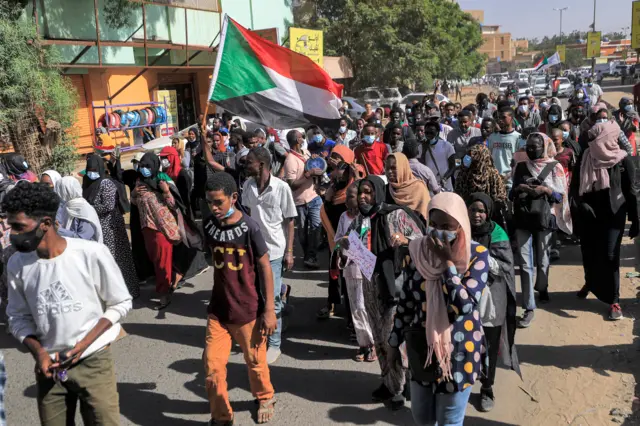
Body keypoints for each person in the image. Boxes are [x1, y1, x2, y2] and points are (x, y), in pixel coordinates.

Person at [5, 181, 131, 426]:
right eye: (11, 227)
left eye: (20, 227)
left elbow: (120, 303)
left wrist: (83, 345)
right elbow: (17, 318)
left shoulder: (91, 254)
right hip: (49, 368)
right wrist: (40, 352)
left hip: (93, 362)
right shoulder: (17, 265)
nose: (14, 235)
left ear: (46, 224)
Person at [389, 192, 488, 425]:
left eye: (446, 226)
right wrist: (393, 343)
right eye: (432, 224)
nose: (437, 231)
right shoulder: (417, 253)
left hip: (461, 349)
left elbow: (463, 305)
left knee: (449, 420)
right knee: (422, 417)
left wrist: (448, 264)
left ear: (461, 225)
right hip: (421, 347)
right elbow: (405, 304)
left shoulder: (476, 256)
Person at [337, 176, 424, 410]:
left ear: (378, 192)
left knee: (393, 338)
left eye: (368, 192)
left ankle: (401, 386)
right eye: (361, 193)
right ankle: (389, 381)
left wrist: (406, 240)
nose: (364, 197)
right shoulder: (360, 220)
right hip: (370, 283)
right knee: (379, 338)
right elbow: (354, 251)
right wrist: (345, 247)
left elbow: (423, 242)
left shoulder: (397, 215)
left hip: (396, 286)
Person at [202, 172, 277, 425]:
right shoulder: (209, 224)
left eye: (219, 202)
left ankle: (265, 397)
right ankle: (222, 416)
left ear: (233, 198)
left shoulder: (250, 227)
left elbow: (265, 267)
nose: (213, 208)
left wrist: (269, 310)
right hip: (219, 311)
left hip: (248, 311)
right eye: (209, 202)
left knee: (255, 361)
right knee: (213, 368)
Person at [572, 118, 639, 320]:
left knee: (611, 255)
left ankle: (614, 300)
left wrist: (635, 221)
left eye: (597, 138)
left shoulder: (623, 160)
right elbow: (574, 188)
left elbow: (631, 192)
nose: (592, 142)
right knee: (590, 253)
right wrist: (581, 205)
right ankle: (590, 283)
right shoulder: (585, 157)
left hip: (614, 215)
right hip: (590, 215)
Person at [466, 193, 520, 413]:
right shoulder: (461, 229)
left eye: (481, 210)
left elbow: (504, 267)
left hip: (491, 299)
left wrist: (478, 254)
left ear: (488, 212)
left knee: (489, 344)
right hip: (465, 298)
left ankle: (487, 388)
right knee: (465, 343)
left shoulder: (497, 234)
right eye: (472, 210)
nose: (477, 215)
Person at [242, 147, 297, 364]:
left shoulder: (281, 188)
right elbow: (246, 214)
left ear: (262, 164)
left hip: (274, 251)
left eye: (249, 162)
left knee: (271, 299)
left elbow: (290, 221)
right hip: (253, 250)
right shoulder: (248, 185)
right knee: (259, 295)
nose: (246, 166)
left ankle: (274, 344)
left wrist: (290, 252)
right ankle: (284, 305)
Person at [511, 133, 571, 328]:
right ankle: (529, 307)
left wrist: (545, 190)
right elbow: (511, 193)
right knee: (525, 263)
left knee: (543, 260)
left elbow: (560, 196)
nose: (530, 149)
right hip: (523, 218)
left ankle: (542, 286)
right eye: (528, 145)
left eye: (535, 146)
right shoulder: (520, 166)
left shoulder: (555, 167)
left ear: (544, 147)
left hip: (545, 218)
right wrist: (520, 187)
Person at [82, 154, 139, 299]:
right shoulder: (87, 184)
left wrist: (89, 208)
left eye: (94, 169)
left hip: (111, 227)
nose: (91, 172)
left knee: (119, 259)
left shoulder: (106, 183)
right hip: (97, 228)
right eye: (89, 169)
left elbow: (108, 205)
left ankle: (129, 291)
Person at [131, 153, 182, 310]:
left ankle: (163, 294)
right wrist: (134, 193)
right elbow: (134, 202)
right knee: (156, 261)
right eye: (142, 166)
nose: (144, 169)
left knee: (161, 263)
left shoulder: (162, 181)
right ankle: (173, 277)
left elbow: (175, 205)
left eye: (147, 166)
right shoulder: (139, 182)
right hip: (147, 229)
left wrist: (166, 191)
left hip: (162, 230)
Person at [335, 183, 376, 362]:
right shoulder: (344, 217)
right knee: (355, 309)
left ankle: (373, 343)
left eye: (356, 195)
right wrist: (343, 244)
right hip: (350, 268)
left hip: (367, 269)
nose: (355, 198)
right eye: (351, 195)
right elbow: (337, 239)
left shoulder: (370, 217)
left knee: (364, 307)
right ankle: (363, 344)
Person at [284, 130, 322, 269]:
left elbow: (316, 169)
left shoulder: (305, 152)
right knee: (303, 232)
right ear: (297, 141)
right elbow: (292, 185)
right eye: (301, 137)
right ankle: (307, 255)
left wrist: (316, 160)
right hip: (300, 202)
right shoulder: (290, 160)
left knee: (316, 228)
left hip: (314, 197)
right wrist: (308, 174)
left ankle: (312, 256)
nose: (303, 139)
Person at [455, 144, 507, 208]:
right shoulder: (465, 172)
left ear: (481, 157)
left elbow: (499, 196)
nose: (469, 157)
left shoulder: (492, 174)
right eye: (469, 154)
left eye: (473, 155)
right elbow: (457, 192)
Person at [55, 176, 103, 243]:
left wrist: (59, 230)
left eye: (59, 190)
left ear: (65, 191)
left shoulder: (84, 210)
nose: (57, 194)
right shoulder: (67, 206)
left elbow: (83, 239)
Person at [385, 153, 430, 220]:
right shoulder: (386, 189)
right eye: (387, 168)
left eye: (393, 168)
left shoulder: (419, 188)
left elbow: (425, 215)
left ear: (403, 168)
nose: (389, 171)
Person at [417, 121, 456, 191]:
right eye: (427, 133)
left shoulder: (447, 146)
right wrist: (424, 151)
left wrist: (445, 178)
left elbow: (453, 166)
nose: (429, 135)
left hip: (445, 185)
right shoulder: (421, 147)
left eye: (431, 132)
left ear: (437, 132)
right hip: (430, 186)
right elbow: (420, 166)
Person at [488, 107, 521, 190]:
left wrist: (509, 175)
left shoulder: (517, 137)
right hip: (494, 179)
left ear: (511, 118)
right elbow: (489, 157)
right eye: (499, 118)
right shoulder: (493, 137)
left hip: (510, 181)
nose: (500, 120)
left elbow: (519, 161)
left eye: (503, 117)